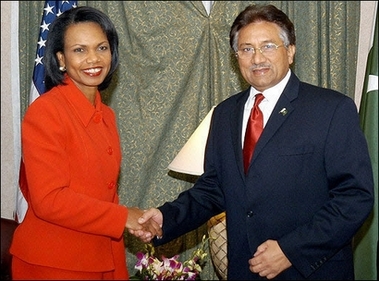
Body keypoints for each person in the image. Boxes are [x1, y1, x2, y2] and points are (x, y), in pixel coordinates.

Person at [132, 4, 374, 280]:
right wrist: (167, 218)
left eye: (268, 46)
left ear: (291, 51)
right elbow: (214, 188)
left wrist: (290, 250)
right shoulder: (224, 114)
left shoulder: (331, 109)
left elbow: (355, 198)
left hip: (309, 271)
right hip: (244, 270)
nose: (257, 58)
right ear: (236, 58)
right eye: (246, 49)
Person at [10, 6, 160, 280]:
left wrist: (119, 262)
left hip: (100, 258)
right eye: (79, 50)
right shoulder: (47, 111)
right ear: (61, 59)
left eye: (101, 48)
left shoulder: (106, 115)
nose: (93, 59)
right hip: (53, 264)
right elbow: (49, 200)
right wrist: (122, 216)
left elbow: (106, 194)